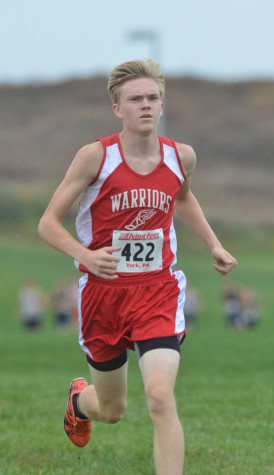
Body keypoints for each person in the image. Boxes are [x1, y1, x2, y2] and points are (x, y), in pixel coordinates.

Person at [38, 59, 237, 475]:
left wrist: (213, 244)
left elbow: (182, 198)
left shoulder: (181, 157)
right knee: (112, 410)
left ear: (162, 105)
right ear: (118, 109)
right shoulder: (95, 157)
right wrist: (85, 256)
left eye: (153, 98)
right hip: (103, 293)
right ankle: (79, 402)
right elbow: (47, 224)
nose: (146, 105)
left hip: (157, 291)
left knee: (161, 398)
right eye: (136, 99)